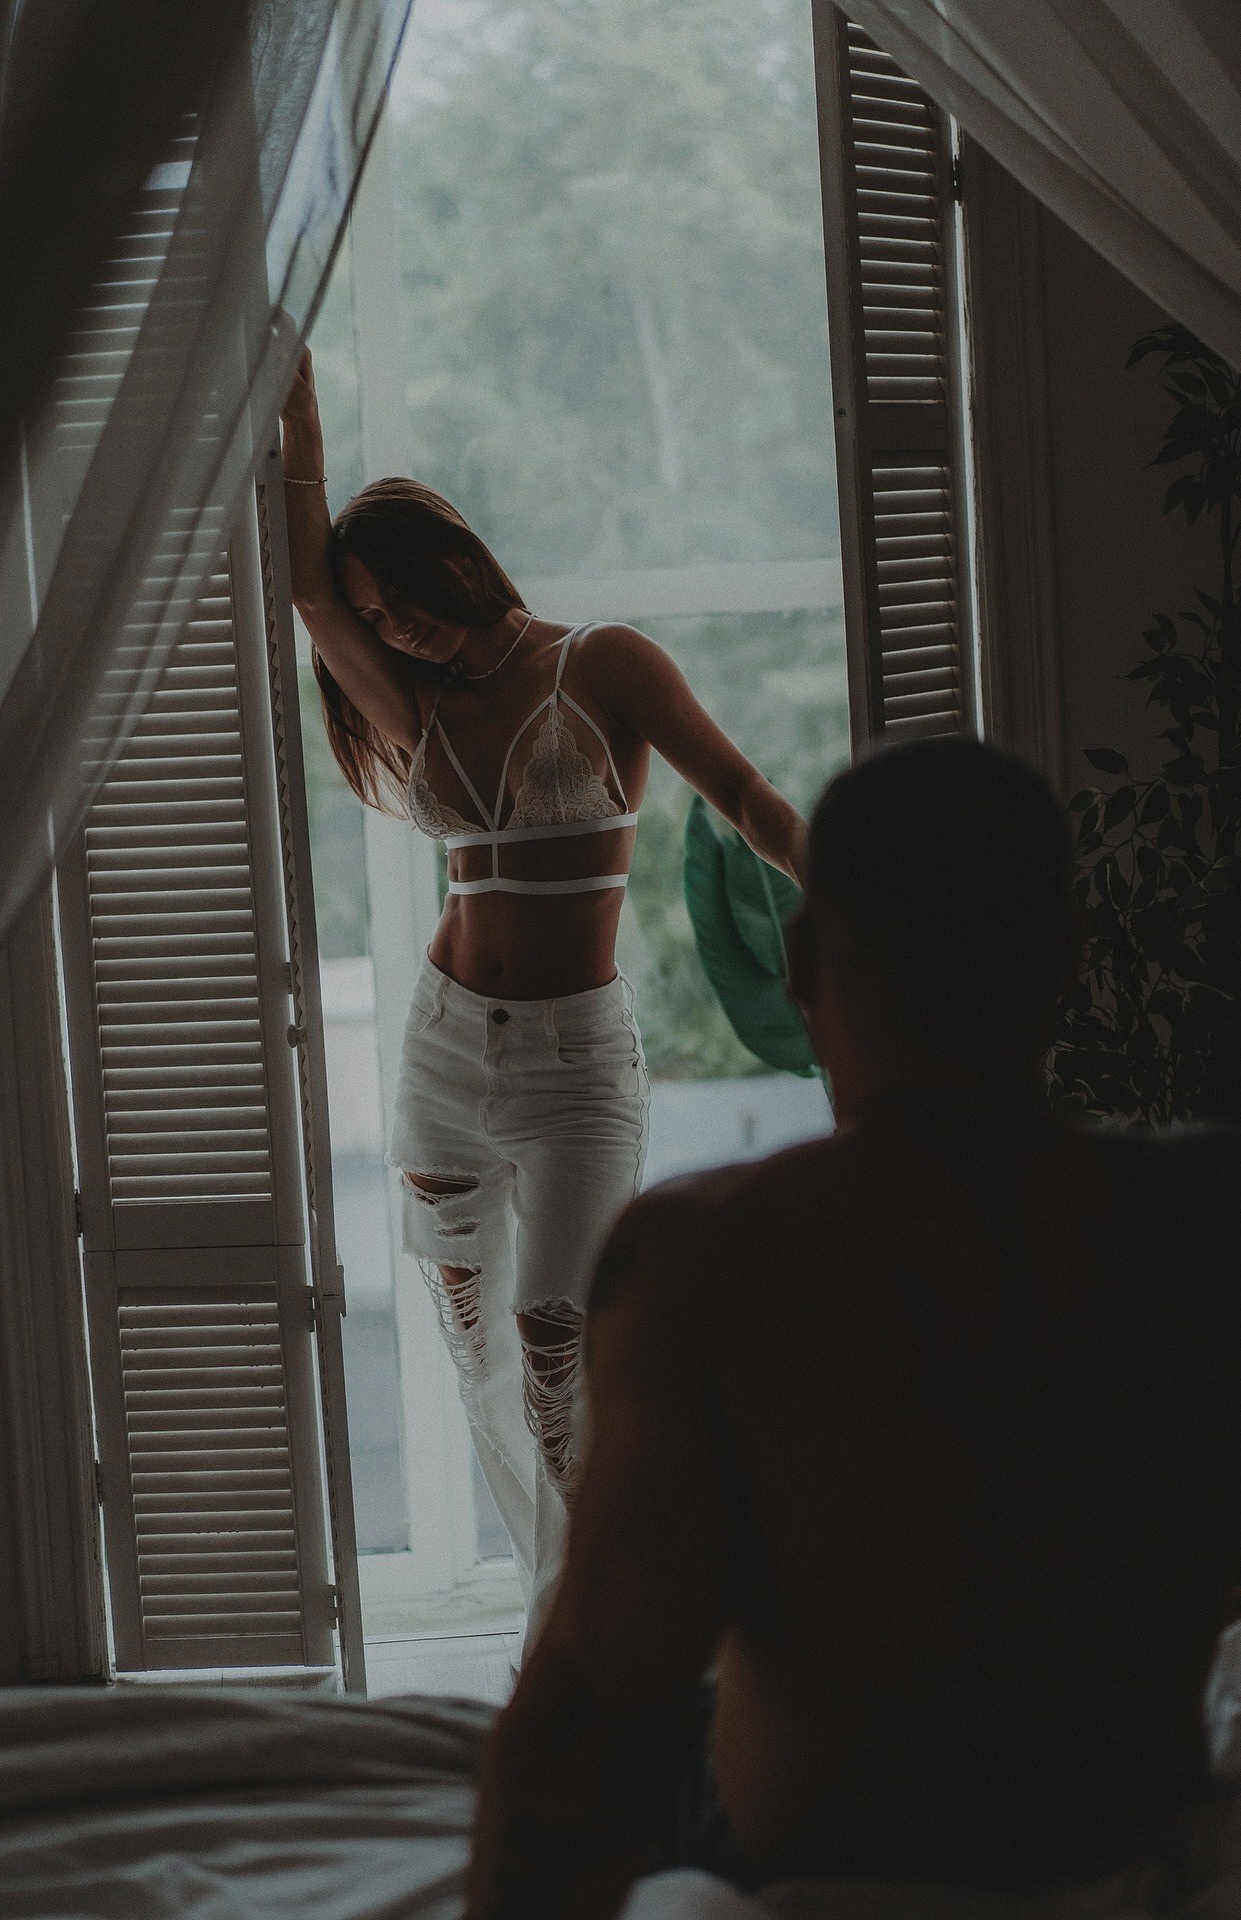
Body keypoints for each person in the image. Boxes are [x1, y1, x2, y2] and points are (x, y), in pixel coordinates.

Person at [465, 736, 1241, 1918]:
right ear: (1069, 958)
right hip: (1126, 1830)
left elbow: (599, 1706)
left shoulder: (707, 1256)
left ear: (803, 965)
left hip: (823, 1851)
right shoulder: (1207, 1214)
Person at [280, 350, 807, 1642]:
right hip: (444, 1054)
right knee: (478, 1362)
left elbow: (742, 794)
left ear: (454, 562)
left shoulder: (602, 661)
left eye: (403, 597)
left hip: (576, 1068)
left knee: (561, 1365)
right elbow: (304, 589)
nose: (392, 628)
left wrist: (846, 892)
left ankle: (619, 1623)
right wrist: (298, 414)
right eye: (375, 615)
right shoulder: (411, 701)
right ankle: (556, 1620)